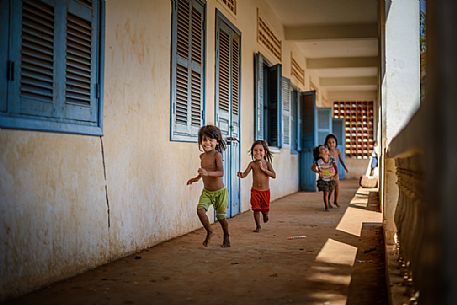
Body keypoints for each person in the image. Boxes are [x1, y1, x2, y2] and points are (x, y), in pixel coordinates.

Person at [186, 125, 230, 247]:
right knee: (200, 211)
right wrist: (196, 178)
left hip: (220, 192)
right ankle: (210, 231)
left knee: (221, 218)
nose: (207, 143)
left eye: (211, 140)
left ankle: (226, 235)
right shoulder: (202, 156)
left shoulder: (217, 155)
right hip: (207, 192)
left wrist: (207, 173)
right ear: (201, 141)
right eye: (205, 139)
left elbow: (221, 172)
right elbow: (204, 171)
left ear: (217, 142)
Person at [237, 140, 276, 232]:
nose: (258, 152)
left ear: (265, 152)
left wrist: (264, 170)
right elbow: (245, 174)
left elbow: (274, 175)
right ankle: (258, 226)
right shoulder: (252, 164)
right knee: (256, 209)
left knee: (265, 209)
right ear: (252, 152)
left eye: (260, 150)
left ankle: (265, 215)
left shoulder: (267, 164)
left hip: (265, 192)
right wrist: (241, 175)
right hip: (255, 191)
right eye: (255, 150)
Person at [311, 145, 339, 211]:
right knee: (326, 193)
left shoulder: (331, 159)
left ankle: (328, 201)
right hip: (324, 180)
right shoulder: (319, 161)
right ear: (320, 154)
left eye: (325, 148)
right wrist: (318, 172)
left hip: (331, 179)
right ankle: (326, 206)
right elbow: (312, 168)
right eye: (322, 149)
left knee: (331, 190)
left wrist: (336, 174)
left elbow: (335, 167)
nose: (325, 149)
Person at [324, 134, 348, 207]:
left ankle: (335, 201)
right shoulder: (326, 152)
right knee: (331, 188)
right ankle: (328, 201)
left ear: (336, 143)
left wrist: (345, 167)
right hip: (328, 172)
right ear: (326, 144)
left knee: (337, 187)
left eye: (333, 142)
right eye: (329, 142)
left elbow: (341, 160)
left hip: (335, 172)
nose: (331, 144)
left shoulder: (337, 151)